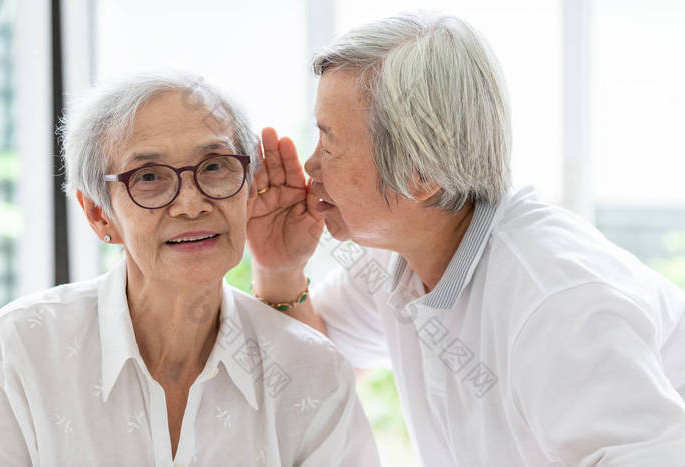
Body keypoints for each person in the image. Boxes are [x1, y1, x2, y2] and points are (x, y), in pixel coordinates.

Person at [247, 12, 685, 466]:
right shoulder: (400, 255)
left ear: (422, 175)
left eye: (330, 145)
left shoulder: (558, 303)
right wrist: (279, 269)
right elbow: (311, 378)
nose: (311, 167)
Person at [0, 72, 381, 466]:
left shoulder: (312, 369)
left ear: (248, 189)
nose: (191, 205)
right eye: (149, 177)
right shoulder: (22, 347)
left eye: (214, 167)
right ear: (99, 214)